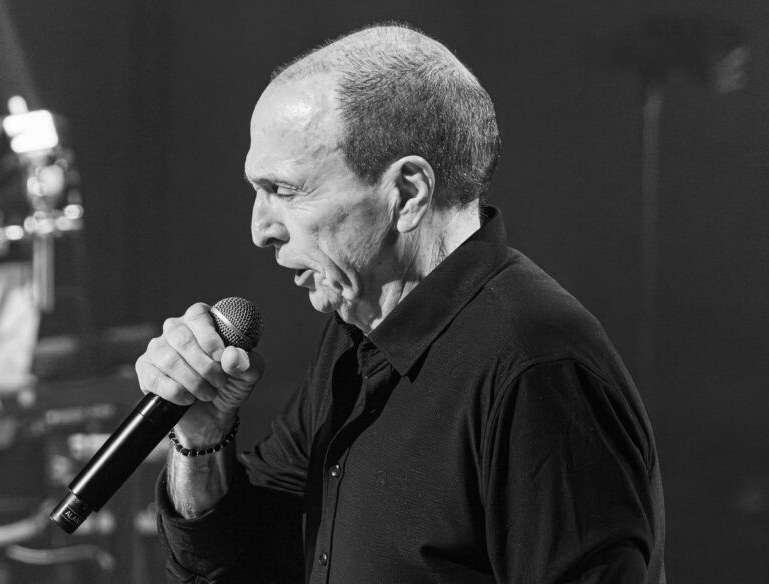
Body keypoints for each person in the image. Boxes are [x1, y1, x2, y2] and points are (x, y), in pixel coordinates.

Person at [135, 23, 666, 584]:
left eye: (285, 191)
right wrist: (201, 439)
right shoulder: (355, 331)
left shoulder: (538, 368)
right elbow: (242, 565)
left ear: (408, 193)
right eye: (256, 190)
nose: (261, 229)